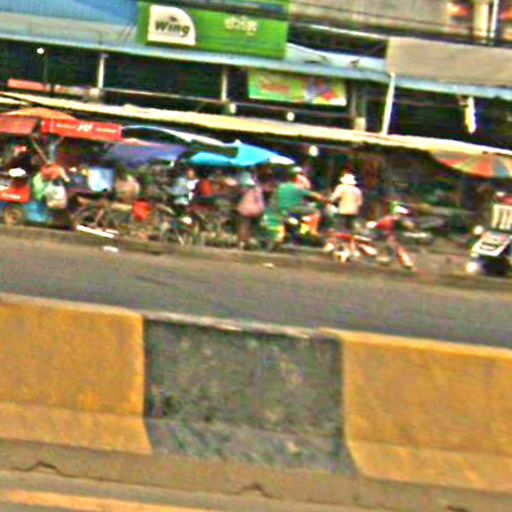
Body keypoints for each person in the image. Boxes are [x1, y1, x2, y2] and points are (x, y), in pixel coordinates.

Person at [275, 166, 327, 237]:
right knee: (316, 212)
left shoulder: (281, 186)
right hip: (294, 208)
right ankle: (313, 231)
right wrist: (324, 199)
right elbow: (313, 194)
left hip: (281, 208)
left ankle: (285, 233)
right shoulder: (297, 187)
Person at [236, 175, 265, 250]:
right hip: (253, 211)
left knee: (243, 225)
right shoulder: (257, 191)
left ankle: (241, 242)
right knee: (249, 227)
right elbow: (260, 202)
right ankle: (246, 242)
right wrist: (262, 209)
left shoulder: (245, 190)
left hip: (243, 209)